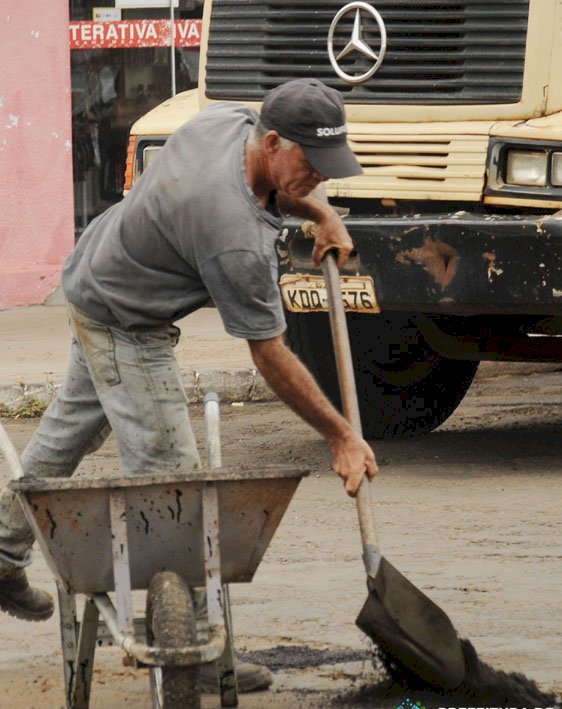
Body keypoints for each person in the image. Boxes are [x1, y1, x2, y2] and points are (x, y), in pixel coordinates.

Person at [0, 78, 378, 692]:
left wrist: (320, 209)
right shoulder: (234, 235)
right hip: (126, 318)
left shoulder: (229, 124)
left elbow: (274, 191)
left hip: (96, 270)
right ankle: (189, 649)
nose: (318, 176)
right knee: (177, 490)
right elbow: (269, 355)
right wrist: (341, 436)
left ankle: (0, 549)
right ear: (275, 141)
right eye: (312, 165)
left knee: (67, 434)